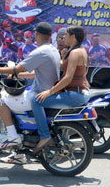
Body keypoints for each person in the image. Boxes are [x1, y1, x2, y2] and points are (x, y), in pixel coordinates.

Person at [0, 22, 60, 164]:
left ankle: (12, 136)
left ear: (36, 35)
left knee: (0, 98)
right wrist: (20, 75)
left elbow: (16, 69)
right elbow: (36, 72)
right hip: (45, 90)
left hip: (38, 94)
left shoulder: (40, 51)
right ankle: (18, 154)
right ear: (50, 36)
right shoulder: (53, 50)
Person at [31, 25, 91, 153]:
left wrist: (49, 92)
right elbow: (66, 68)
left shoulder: (75, 53)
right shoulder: (78, 50)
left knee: (36, 101)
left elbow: (68, 78)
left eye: (67, 35)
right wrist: (63, 57)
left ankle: (45, 137)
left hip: (75, 94)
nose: (64, 38)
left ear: (73, 36)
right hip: (79, 92)